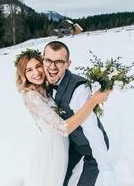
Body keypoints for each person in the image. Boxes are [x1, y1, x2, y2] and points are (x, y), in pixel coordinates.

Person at [15, 49, 111, 186]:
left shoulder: (44, 87)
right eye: (29, 70)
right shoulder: (32, 96)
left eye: (37, 66)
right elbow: (64, 128)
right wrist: (93, 101)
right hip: (55, 147)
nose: (36, 73)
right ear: (23, 74)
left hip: (65, 142)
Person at [43, 41, 117, 186]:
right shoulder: (42, 80)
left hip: (90, 144)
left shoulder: (79, 89)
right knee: (58, 178)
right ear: (43, 60)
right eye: (48, 60)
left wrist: (107, 170)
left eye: (59, 62)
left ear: (68, 64)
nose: (52, 67)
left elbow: (92, 130)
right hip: (70, 142)